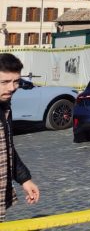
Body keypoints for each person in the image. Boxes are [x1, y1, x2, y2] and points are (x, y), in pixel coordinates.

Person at [0, 54, 39, 221]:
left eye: (16, 81)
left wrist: (24, 179)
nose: (11, 88)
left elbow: (6, 148)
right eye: (4, 82)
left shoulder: (4, 105)